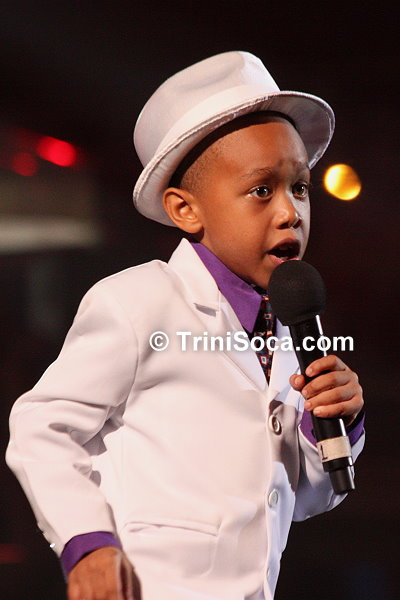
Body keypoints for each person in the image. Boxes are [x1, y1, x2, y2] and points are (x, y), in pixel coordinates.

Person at [6, 51, 365, 600]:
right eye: (262, 190)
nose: (291, 212)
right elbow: (42, 426)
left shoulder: (292, 330)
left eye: (300, 187)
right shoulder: (138, 301)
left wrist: (334, 426)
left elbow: (303, 498)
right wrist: (88, 543)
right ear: (186, 210)